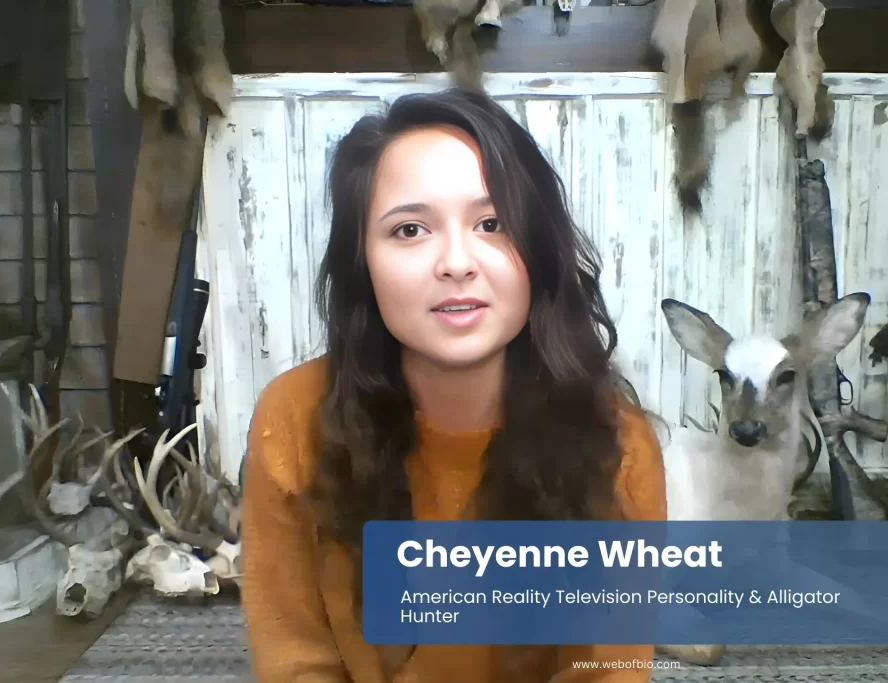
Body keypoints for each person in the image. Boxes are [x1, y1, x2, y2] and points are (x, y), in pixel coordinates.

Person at [239, 87, 667, 681]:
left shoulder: (618, 444)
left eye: (492, 223)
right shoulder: (293, 418)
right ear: (361, 262)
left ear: (538, 250)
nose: (457, 263)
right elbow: (296, 662)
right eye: (410, 230)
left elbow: (608, 673)